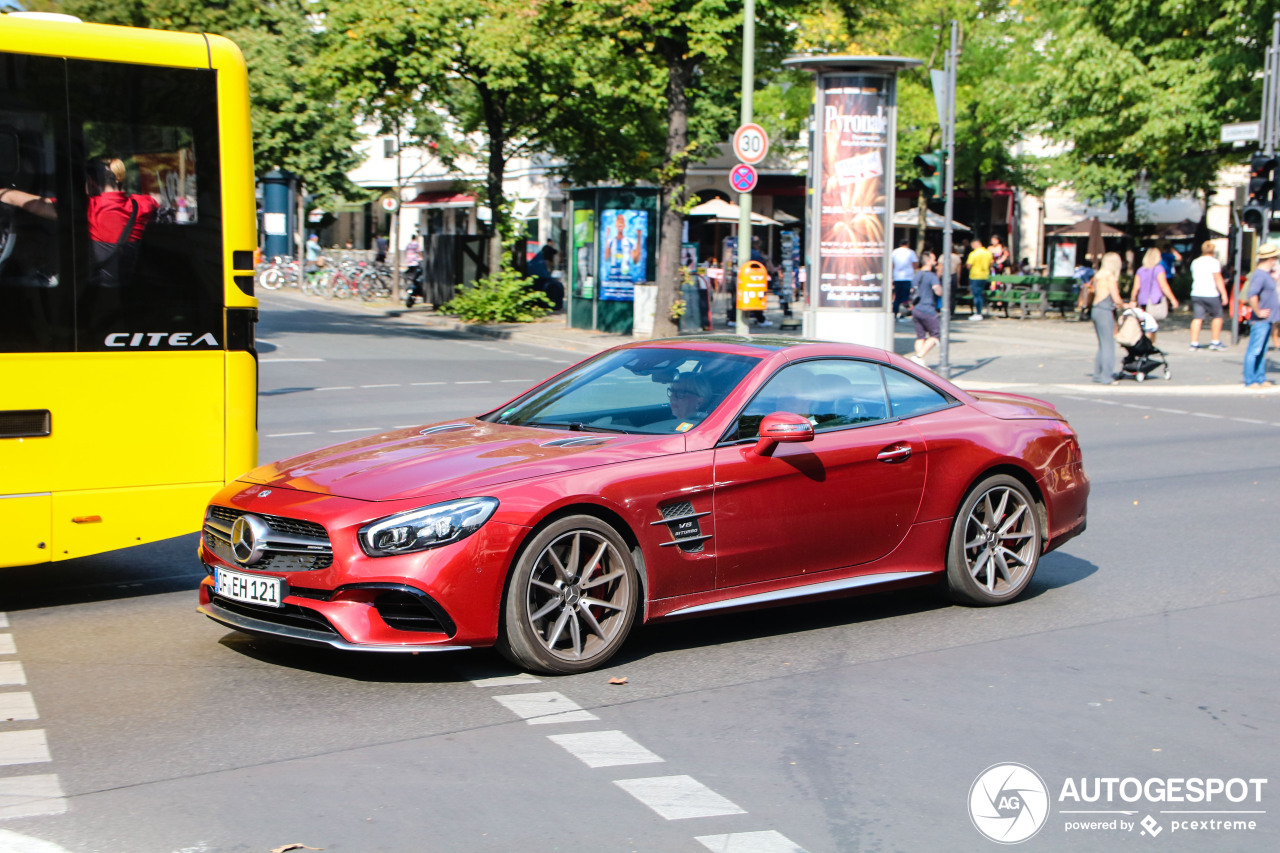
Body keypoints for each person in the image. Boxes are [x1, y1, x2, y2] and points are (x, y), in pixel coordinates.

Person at [1243, 242, 1279, 387]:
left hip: (1268, 318)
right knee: (1255, 350)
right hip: (1261, 319)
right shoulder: (1259, 275)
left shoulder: (1265, 275)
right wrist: (1258, 311)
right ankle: (1251, 379)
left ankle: (1260, 378)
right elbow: (1252, 295)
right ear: (1271, 259)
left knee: (1261, 350)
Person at [1130, 247, 1179, 343]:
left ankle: (1147, 343)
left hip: (1142, 300)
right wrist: (1173, 299)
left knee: (1145, 323)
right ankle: (1149, 344)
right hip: (1154, 300)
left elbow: (1136, 287)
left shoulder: (1140, 270)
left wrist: (1133, 300)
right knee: (1151, 325)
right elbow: (1164, 286)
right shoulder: (1159, 269)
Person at [1090, 252, 1125, 384]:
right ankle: (1106, 376)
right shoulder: (1110, 278)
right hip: (1105, 311)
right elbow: (1116, 299)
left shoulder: (1098, 277)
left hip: (1096, 309)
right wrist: (1125, 305)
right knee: (1108, 344)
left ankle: (1098, 374)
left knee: (1102, 344)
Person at [1188, 240, 1229, 351]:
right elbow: (1217, 278)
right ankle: (1215, 341)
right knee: (1217, 316)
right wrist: (1224, 294)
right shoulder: (1214, 262)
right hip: (1210, 292)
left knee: (1197, 318)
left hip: (1196, 292)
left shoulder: (1195, 262)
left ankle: (1194, 343)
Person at [909, 251, 943, 367]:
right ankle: (918, 357)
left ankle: (918, 361)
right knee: (935, 335)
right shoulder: (932, 276)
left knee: (920, 336)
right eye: (934, 260)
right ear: (928, 261)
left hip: (916, 308)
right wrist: (941, 289)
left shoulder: (916, 275)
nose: (935, 262)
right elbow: (937, 290)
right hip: (928, 309)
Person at [748, 235, 775, 327]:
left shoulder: (752, 252)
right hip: (756, 280)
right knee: (757, 300)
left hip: (751, 280)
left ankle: (733, 318)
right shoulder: (756, 254)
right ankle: (761, 320)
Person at [890, 238, 918, 320]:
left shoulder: (894, 252)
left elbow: (892, 264)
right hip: (908, 277)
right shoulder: (911, 252)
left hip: (897, 277)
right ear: (908, 244)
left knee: (897, 296)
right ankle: (903, 314)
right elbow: (915, 264)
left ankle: (894, 313)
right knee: (905, 297)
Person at [966, 237, 993, 320]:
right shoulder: (988, 253)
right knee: (980, 294)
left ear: (975, 244)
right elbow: (991, 264)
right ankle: (978, 312)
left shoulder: (973, 254)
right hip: (984, 276)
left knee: (976, 295)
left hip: (975, 276)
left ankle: (978, 313)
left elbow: (969, 265)